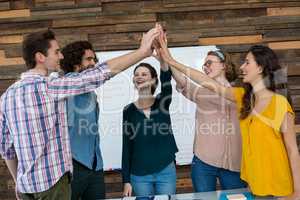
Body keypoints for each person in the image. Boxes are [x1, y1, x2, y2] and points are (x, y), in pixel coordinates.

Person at [0, 27, 159, 200]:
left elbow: (6, 148)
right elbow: (99, 74)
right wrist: (142, 52)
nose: (60, 56)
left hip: (26, 187)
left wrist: (18, 181)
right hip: (52, 184)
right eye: (56, 52)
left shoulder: (7, 96)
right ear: (40, 57)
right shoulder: (51, 86)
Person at [157, 29, 300, 199]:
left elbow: (292, 151)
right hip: (254, 186)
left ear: (260, 67)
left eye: (247, 63)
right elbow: (207, 83)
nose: (242, 67)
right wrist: (170, 59)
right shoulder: (243, 98)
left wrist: (297, 191)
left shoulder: (278, 103)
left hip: (279, 187)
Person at [170, 49, 246, 192]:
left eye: (209, 63)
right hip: (204, 163)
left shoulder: (241, 92)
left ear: (224, 65)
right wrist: (167, 58)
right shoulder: (201, 92)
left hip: (235, 164)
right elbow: (182, 81)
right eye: (204, 65)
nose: (206, 67)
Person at [122, 61, 178, 197]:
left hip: (165, 171)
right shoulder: (128, 110)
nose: (139, 77)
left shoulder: (162, 102)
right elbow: (127, 145)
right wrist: (126, 180)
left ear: (153, 80)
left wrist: (163, 58)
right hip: (139, 175)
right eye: (136, 75)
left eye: (144, 74)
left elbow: (166, 81)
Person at [60, 41, 105, 200]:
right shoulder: (66, 84)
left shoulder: (91, 93)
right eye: (89, 59)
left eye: (94, 59)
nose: (93, 63)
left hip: (95, 165)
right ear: (75, 61)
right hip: (72, 165)